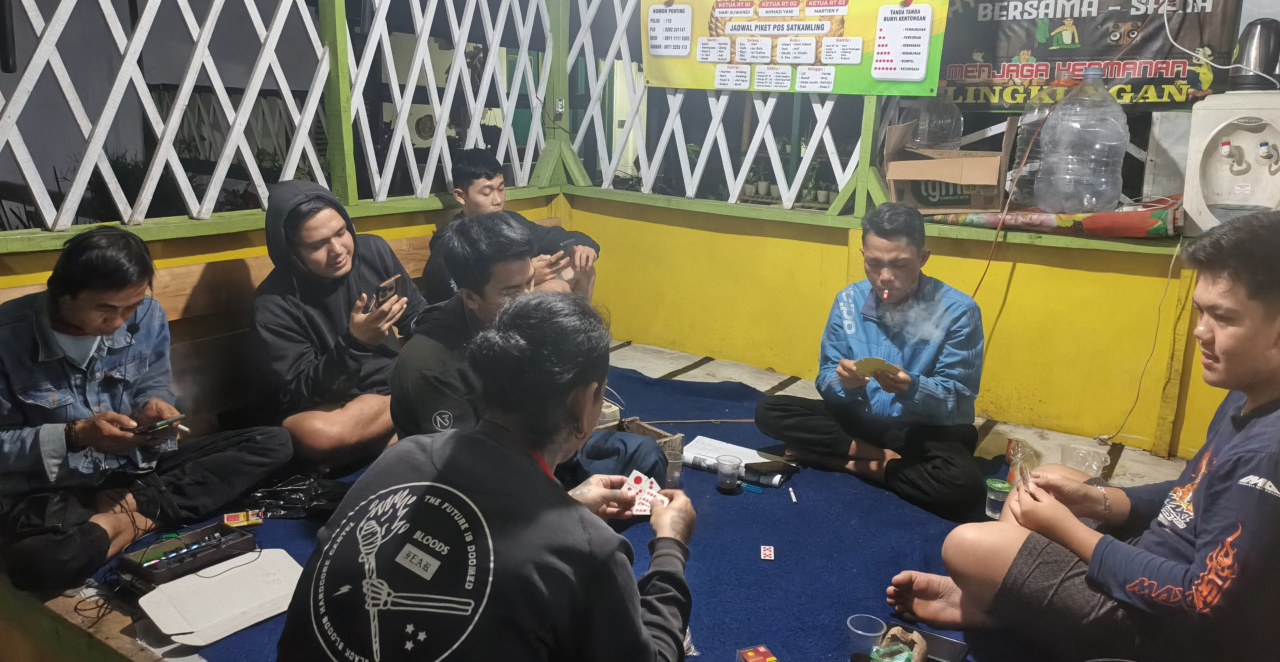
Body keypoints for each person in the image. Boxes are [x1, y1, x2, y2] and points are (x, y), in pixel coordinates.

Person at [888, 211, 1280, 661]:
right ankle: (995, 601)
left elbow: (1199, 601)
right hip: (1157, 556)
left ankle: (992, 605)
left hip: (1161, 627)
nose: (1200, 331)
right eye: (1200, 311)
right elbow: (1189, 494)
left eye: (1223, 318)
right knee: (1049, 479)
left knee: (967, 545)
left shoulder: (1267, 455)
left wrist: (1071, 531)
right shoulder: (1247, 391)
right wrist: (1098, 501)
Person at [278, 293, 697, 661]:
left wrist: (565, 507)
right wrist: (670, 547)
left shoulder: (401, 457)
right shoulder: (591, 550)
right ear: (587, 400)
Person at [0, 228, 292, 592]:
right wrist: (75, 435)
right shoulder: (8, 337)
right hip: (56, 490)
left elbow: (153, 384)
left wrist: (154, 406)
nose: (119, 322)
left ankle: (125, 517)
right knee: (38, 566)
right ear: (62, 293)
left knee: (274, 442)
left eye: (130, 307)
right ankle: (139, 516)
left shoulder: (149, 315)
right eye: (105, 309)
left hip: (136, 473)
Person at [391, 213, 666, 485]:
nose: (527, 299)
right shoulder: (433, 363)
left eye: (530, 282)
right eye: (511, 292)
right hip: (483, 479)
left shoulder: (515, 322)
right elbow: (467, 475)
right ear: (470, 297)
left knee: (643, 454)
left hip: (534, 448)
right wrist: (568, 500)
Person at [754, 203, 986, 520]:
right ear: (863, 254)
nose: (885, 277)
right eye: (874, 264)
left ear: (923, 258)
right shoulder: (848, 301)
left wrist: (913, 388)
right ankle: (879, 459)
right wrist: (844, 383)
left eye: (900, 264)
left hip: (919, 429)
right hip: (861, 419)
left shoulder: (958, 311)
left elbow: (958, 398)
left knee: (965, 487)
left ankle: (847, 462)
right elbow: (826, 375)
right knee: (770, 410)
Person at [253, 180, 428, 466]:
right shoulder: (273, 304)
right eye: (317, 245)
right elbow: (299, 395)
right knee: (312, 432)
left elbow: (416, 315)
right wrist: (356, 344)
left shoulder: (372, 250)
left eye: (341, 232)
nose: (337, 250)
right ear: (291, 252)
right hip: (342, 406)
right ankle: (414, 411)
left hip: (396, 382)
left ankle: (401, 423)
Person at [420, 148, 600, 303]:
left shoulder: (511, 222)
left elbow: (552, 237)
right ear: (460, 196)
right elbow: (453, 302)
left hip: (519, 297)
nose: (498, 200)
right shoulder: (451, 242)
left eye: (501, 189)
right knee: (555, 288)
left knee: (582, 269)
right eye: (486, 193)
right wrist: (526, 278)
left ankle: (582, 332)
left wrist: (584, 247)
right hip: (482, 316)